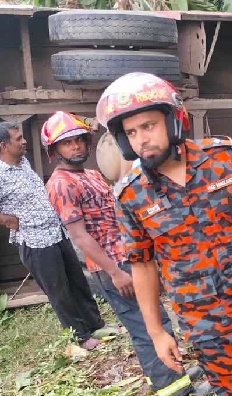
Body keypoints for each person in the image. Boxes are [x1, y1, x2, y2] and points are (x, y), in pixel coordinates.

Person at [98, 72, 232, 395]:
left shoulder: (222, 157)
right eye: (131, 132)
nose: (141, 139)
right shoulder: (130, 196)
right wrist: (156, 333)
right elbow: (142, 265)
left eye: (148, 126)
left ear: (172, 120)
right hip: (207, 324)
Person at [42, 112, 208, 396]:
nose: (76, 147)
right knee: (145, 326)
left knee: (157, 319)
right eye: (67, 143)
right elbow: (80, 235)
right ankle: (172, 388)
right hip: (115, 266)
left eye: (79, 140)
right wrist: (115, 273)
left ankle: (174, 371)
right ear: (54, 150)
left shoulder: (91, 174)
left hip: (130, 256)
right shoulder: (60, 185)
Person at [0, 121, 107, 350]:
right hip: (35, 242)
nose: (24, 141)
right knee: (59, 290)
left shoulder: (22, 162)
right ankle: (80, 336)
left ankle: (95, 324)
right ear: (3, 146)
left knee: (77, 281)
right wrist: (7, 220)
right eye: (18, 139)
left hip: (56, 232)